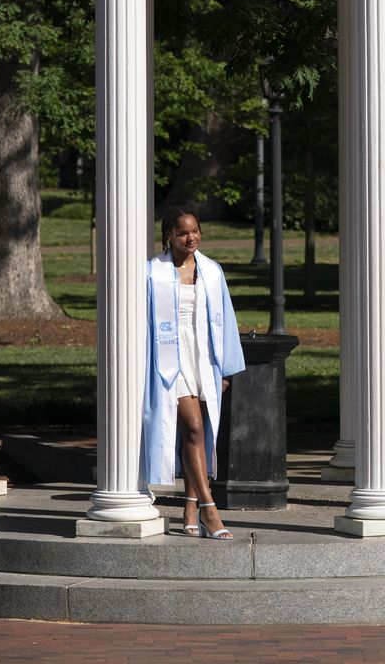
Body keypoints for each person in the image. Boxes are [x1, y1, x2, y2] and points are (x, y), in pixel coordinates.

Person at [142, 208, 247, 539]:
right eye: (184, 232)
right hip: (170, 358)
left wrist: (226, 367)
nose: (191, 238)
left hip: (204, 356)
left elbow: (226, 318)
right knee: (193, 427)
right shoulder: (151, 273)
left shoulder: (212, 271)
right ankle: (208, 508)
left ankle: (189, 508)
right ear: (169, 235)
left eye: (196, 231)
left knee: (197, 437)